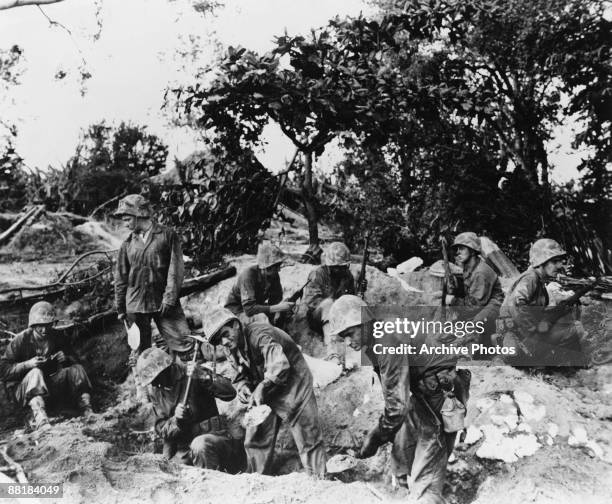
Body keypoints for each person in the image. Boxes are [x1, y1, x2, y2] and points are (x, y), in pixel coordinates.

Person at [328, 295, 470, 504]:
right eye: (343, 337)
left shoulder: (387, 341)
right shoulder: (378, 335)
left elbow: (397, 408)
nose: (348, 342)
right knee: (404, 438)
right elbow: (396, 400)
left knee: (429, 458)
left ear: (365, 321)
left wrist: (376, 436)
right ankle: (401, 486)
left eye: (350, 334)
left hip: (440, 394)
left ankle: (425, 494)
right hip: (425, 390)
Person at [203, 307, 326, 477]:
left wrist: (262, 386)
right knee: (256, 436)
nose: (223, 342)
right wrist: (243, 386)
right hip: (267, 388)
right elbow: (238, 374)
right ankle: (257, 481)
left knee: (307, 436)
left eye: (225, 334)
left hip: (293, 382)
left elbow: (279, 365)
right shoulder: (230, 347)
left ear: (236, 325)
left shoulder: (260, 334)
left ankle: (319, 480)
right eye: (218, 340)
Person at [135, 347, 246, 472]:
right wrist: (176, 420)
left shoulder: (192, 372)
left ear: (166, 370)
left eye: (155, 379)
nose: (154, 384)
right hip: (182, 448)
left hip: (211, 438)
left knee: (200, 446)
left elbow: (229, 392)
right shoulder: (156, 391)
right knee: (169, 471)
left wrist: (203, 375)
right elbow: (161, 428)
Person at [113, 194, 192, 361]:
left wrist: (169, 298)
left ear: (140, 214)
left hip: (163, 302)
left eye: (128, 219)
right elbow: (121, 278)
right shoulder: (127, 244)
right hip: (135, 305)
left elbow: (175, 270)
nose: (125, 224)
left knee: (184, 344)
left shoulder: (167, 236)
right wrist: (120, 308)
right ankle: (148, 386)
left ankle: (185, 382)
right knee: (141, 354)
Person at [0, 301, 93, 430]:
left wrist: (66, 358)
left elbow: (76, 360)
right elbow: (3, 371)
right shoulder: (21, 341)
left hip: (49, 387)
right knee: (35, 372)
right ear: (33, 325)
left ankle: (86, 408)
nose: (44, 330)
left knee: (76, 369)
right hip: (24, 393)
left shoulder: (57, 336)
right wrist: (27, 364)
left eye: (48, 325)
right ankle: (40, 419)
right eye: (40, 326)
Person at [496, 238, 586, 366]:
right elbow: (516, 303)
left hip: (519, 334)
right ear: (541, 261)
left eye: (560, 261)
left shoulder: (538, 280)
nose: (560, 266)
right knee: (575, 329)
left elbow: (532, 308)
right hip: (519, 336)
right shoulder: (530, 278)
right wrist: (533, 329)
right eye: (555, 261)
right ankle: (552, 364)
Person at [300, 242, 365, 363]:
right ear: (331, 266)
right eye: (339, 267)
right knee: (329, 304)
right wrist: (335, 305)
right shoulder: (318, 274)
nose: (343, 269)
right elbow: (311, 301)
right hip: (318, 318)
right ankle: (332, 351)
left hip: (339, 319)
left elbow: (350, 300)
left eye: (345, 266)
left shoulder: (347, 276)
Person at [447, 232, 503, 345]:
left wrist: (452, 300)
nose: (458, 252)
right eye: (457, 248)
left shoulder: (480, 272)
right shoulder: (469, 267)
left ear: (472, 251)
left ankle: (481, 349)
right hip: (479, 303)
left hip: (494, 305)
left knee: (474, 324)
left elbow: (473, 306)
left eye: (462, 248)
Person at [224, 242, 293, 325]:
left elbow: (276, 298)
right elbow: (249, 309)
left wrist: (279, 309)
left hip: (255, 306)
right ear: (266, 267)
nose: (279, 270)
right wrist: (277, 308)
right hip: (237, 311)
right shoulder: (248, 276)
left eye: (279, 265)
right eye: (276, 266)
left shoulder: (273, 275)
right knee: (262, 318)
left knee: (283, 313)